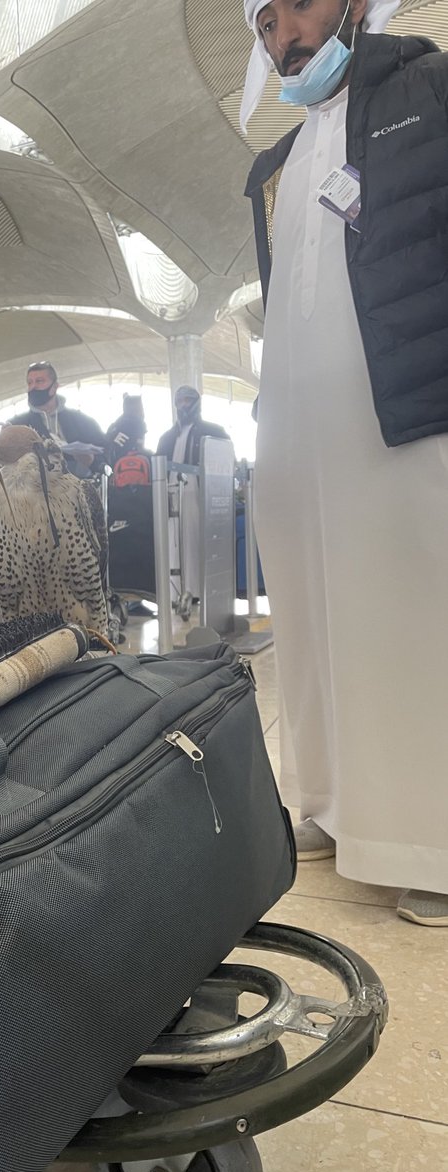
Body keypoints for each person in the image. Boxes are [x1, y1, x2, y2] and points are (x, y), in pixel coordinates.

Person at [242, 0, 448, 924]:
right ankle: (328, 799)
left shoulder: (429, 86)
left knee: (407, 606)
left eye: (304, 3)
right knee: (314, 606)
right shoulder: (275, 166)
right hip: (299, 426)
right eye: (267, 20)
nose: (288, 33)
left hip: (403, 401)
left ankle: (430, 839)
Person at [155, 386, 230, 608]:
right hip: (171, 490)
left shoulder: (213, 431)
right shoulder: (167, 437)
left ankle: (197, 590)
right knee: (174, 542)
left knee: (196, 539)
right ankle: (175, 592)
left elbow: (225, 460)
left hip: (198, 491)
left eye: (188, 400)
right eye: (180, 401)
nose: (184, 405)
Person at [8, 362, 106, 476]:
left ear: (54, 387)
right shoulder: (17, 425)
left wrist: (91, 461)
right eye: (30, 383)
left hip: (80, 486)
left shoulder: (83, 422)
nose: (33, 387)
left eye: (39, 381)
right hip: (35, 488)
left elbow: (104, 456)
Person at [105, 393, 148, 466]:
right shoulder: (139, 423)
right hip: (131, 464)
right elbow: (141, 448)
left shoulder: (116, 424)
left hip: (113, 464)